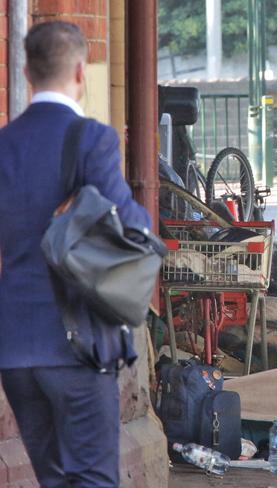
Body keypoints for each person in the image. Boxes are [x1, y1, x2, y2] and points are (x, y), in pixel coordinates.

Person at [0, 21, 152, 486]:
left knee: (56, 480)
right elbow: (133, 227)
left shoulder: (3, 145)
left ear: (26, 73)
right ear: (82, 72)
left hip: (15, 348)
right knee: (92, 479)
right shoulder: (92, 139)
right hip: (77, 342)